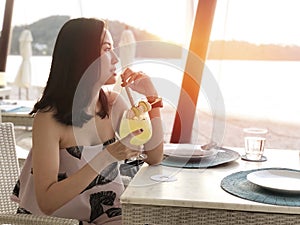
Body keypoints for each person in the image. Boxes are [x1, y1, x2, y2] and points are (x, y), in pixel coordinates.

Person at [11, 18, 164, 225]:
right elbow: (47, 202)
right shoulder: (48, 120)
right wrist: (107, 156)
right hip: (62, 221)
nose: (115, 58)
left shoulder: (112, 104)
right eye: (107, 49)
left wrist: (152, 99)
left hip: (109, 216)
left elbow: (154, 156)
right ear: (82, 57)